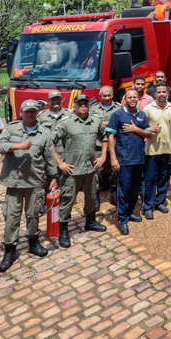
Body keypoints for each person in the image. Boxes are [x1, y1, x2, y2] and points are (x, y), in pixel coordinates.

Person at [0, 100, 57, 271]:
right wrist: (16, 146)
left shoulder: (44, 133)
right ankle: (10, 250)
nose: (30, 114)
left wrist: (54, 176)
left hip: (35, 181)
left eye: (33, 112)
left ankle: (33, 242)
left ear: (37, 113)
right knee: (12, 216)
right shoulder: (12, 128)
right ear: (21, 112)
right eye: (27, 111)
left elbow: (50, 157)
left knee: (33, 214)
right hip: (14, 182)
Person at [50, 93, 108, 248]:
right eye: (80, 103)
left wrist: (103, 156)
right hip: (72, 170)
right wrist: (59, 163)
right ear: (74, 106)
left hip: (90, 168)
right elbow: (51, 142)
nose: (83, 106)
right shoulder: (66, 123)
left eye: (85, 103)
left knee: (91, 196)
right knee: (68, 200)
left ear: (89, 105)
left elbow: (105, 137)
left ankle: (91, 221)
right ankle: (64, 230)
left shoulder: (95, 121)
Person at [107, 90, 152, 236]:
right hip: (124, 159)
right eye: (129, 97)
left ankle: (130, 212)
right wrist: (113, 158)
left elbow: (149, 133)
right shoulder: (118, 115)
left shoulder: (141, 115)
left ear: (138, 99)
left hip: (139, 158)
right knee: (124, 190)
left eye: (134, 97)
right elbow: (111, 137)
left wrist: (136, 129)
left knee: (134, 190)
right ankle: (122, 219)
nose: (132, 99)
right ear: (124, 99)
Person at [142, 84, 171, 219]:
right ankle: (147, 206)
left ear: (167, 93)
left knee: (164, 178)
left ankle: (159, 202)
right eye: (159, 92)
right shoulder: (148, 109)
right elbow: (142, 127)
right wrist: (150, 130)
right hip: (152, 150)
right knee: (150, 179)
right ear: (155, 94)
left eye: (163, 92)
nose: (161, 94)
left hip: (167, 149)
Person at [90, 86, 121, 204]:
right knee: (97, 170)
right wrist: (111, 123)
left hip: (115, 143)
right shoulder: (93, 109)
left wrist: (102, 123)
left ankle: (114, 191)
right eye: (104, 96)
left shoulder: (119, 108)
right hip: (98, 144)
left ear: (113, 95)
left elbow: (121, 123)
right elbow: (91, 123)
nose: (107, 98)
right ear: (99, 97)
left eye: (109, 95)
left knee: (115, 169)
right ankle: (96, 195)